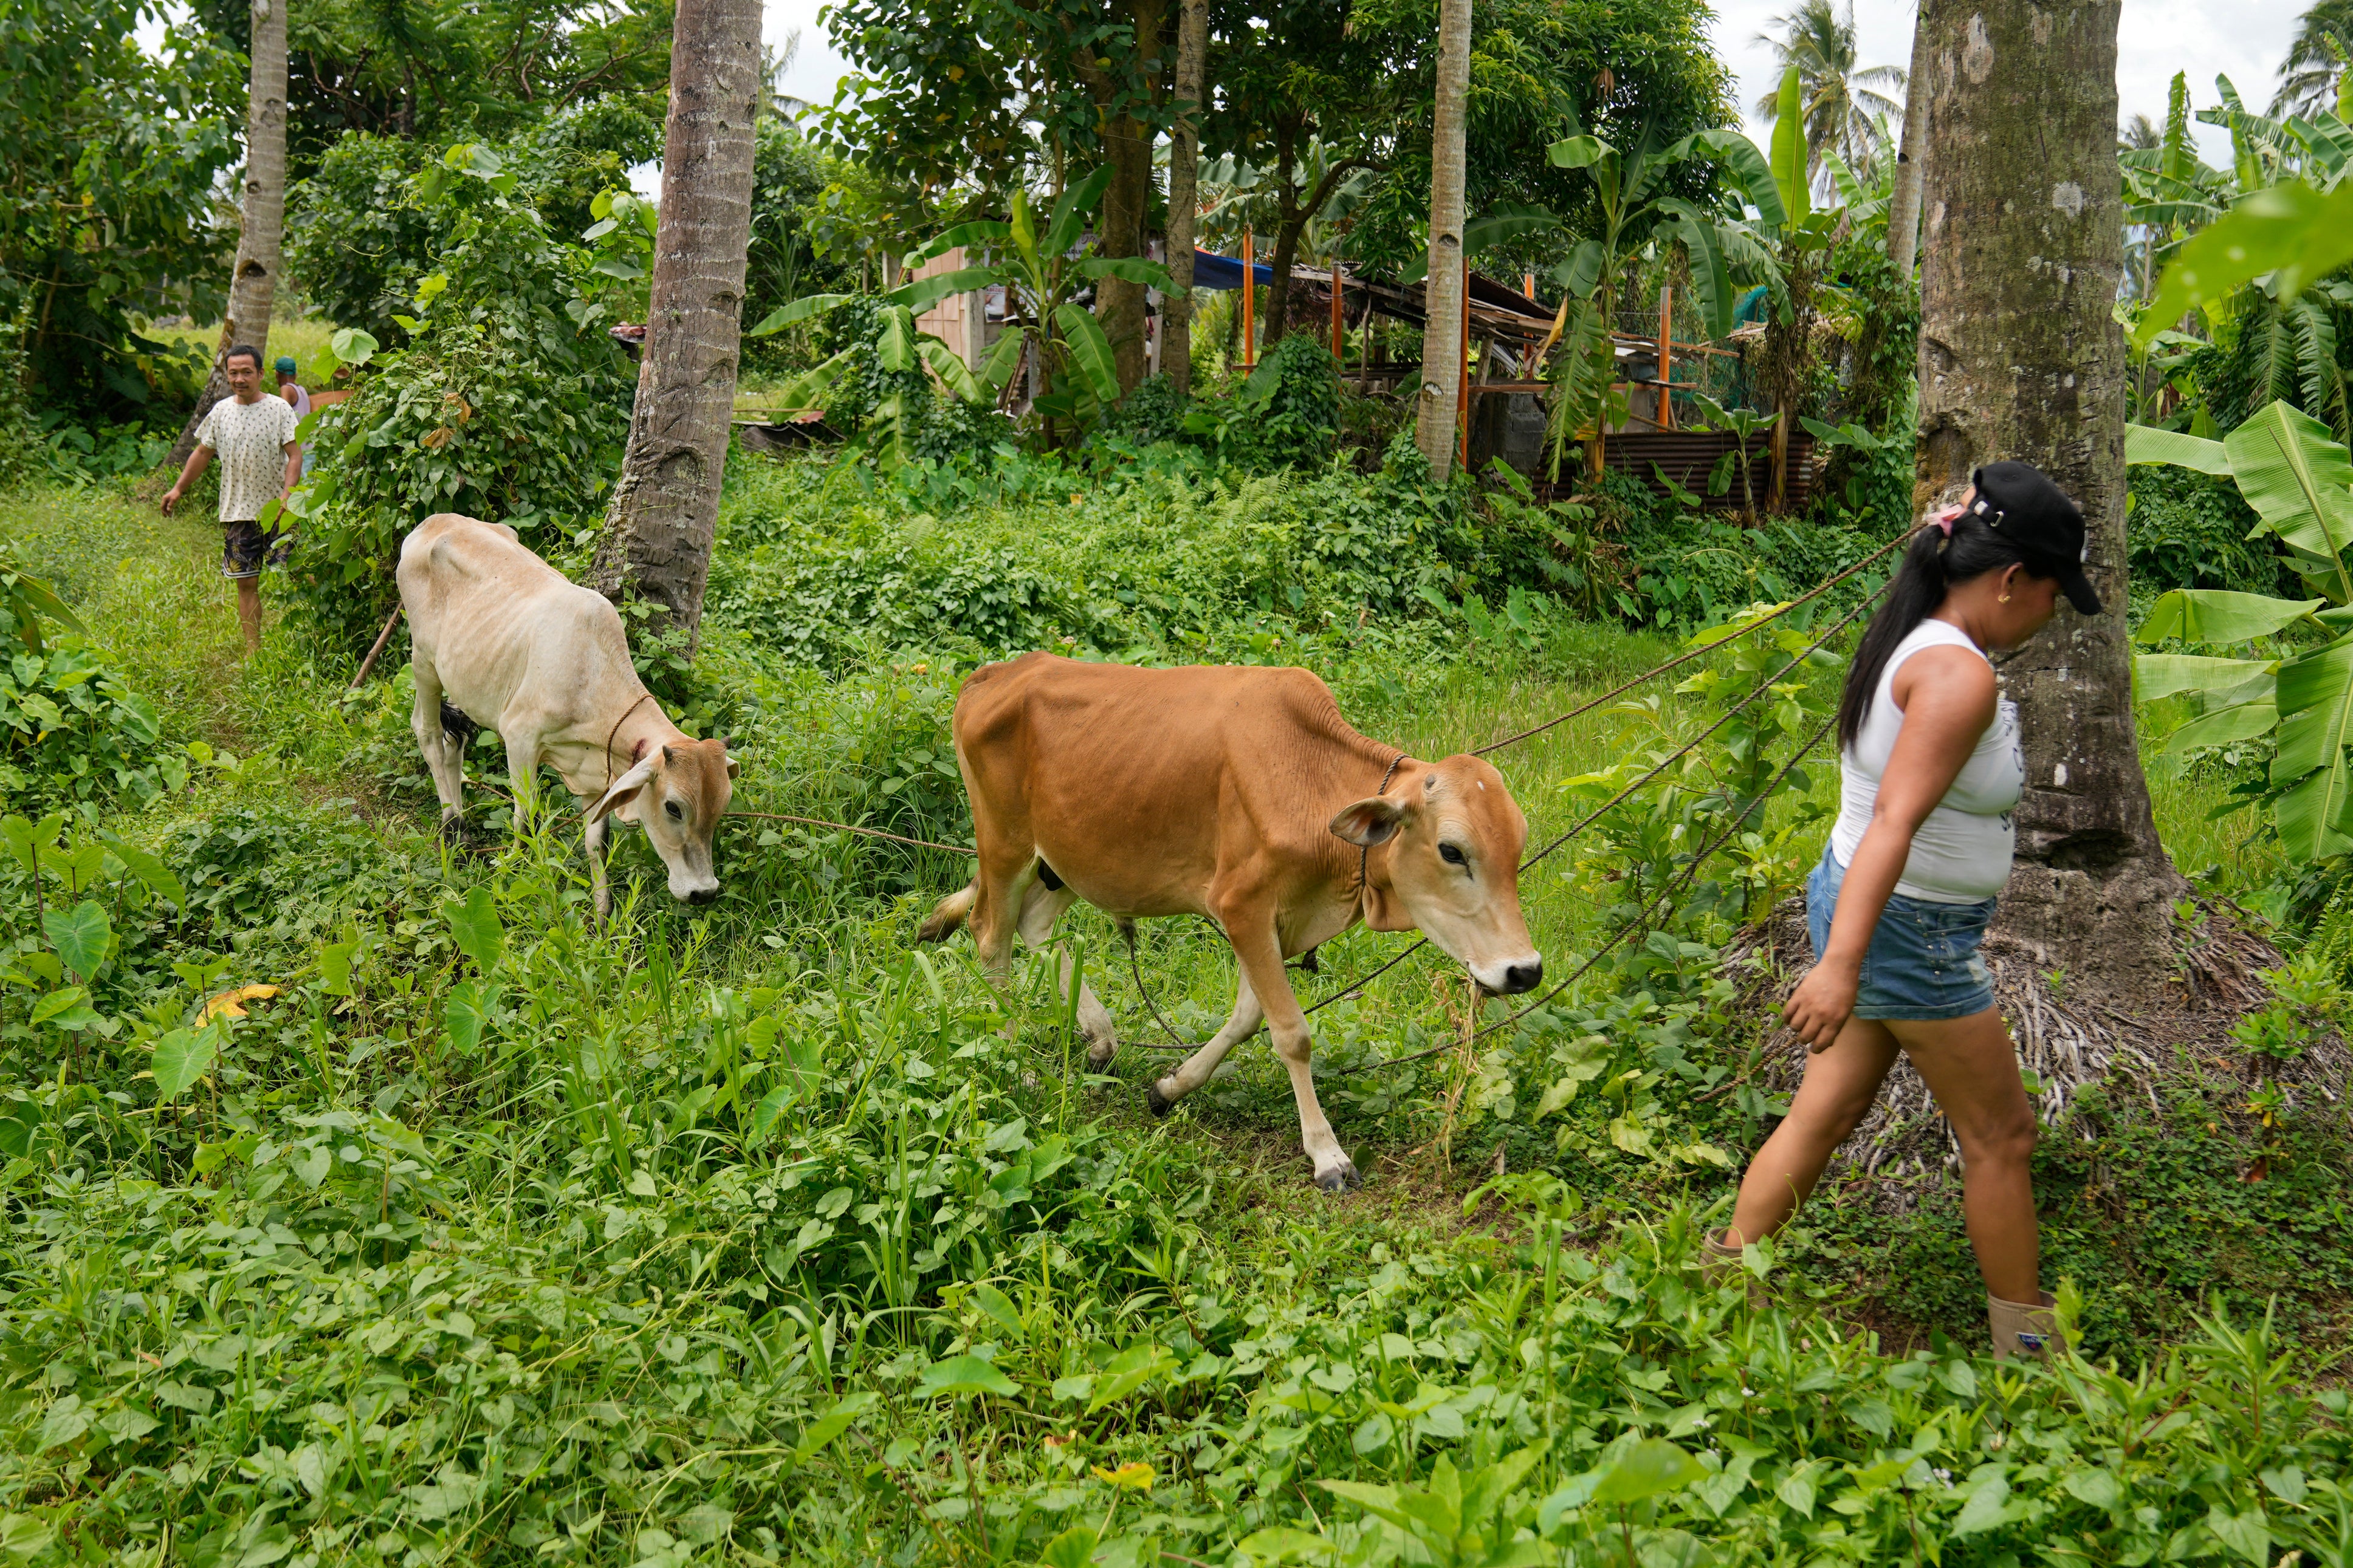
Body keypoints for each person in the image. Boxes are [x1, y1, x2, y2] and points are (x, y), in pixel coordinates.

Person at [1708, 462, 2107, 1360]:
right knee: (2002, 1132)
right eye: (2051, 595)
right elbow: (1895, 819)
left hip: (1874, 908)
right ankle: (2032, 1358)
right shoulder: (1959, 677)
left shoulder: (1918, 629)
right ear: (2009, 580)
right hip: (1906, 932)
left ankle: (1720, 1280)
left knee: (1828, 1111)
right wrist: (1842, 964)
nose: (2051, 616)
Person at [161, 345, 301, 655]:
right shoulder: (221, 412)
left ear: (261, 374)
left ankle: (305, 645)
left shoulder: (279, 409)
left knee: (298, 577)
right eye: (234, 373)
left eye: (247, 372)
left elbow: (294, 455)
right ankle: (254, 651)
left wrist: (287, 496)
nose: (240, 379)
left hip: (279, 511)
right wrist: (178, 489)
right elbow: (202, 453)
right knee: (246, 584)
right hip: (238, 513)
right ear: (227, 375)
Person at [273, 355, 315, 476]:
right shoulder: (302, 390)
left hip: (297, 450)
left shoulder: (286, 389)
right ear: (295, 374)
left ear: (277, 374)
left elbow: (282, 412)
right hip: (309, 447)